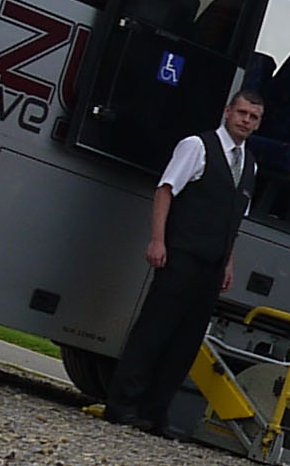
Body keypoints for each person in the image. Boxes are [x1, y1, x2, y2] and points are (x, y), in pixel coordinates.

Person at [107, 91, 264, 432]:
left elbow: (234, 220)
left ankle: (155, 411)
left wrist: (228, 262)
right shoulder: (197, 146)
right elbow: (165, 190)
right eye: (242, 113)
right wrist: (158, 239)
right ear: (227, 111)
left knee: (185, 342)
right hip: (181, 254)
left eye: (254, 117)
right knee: (154, 331)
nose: (246, 121)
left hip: (213, 264)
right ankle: (122, 404)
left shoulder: (249, 165)